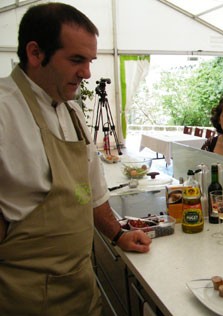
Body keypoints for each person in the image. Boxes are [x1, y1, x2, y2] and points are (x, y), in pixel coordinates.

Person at [0, 4, 151, 315]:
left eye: (90, 61)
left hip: (82, 291)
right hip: (23, 301)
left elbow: (92, 195)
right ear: (35, 53)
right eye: (76, 60)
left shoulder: (73, 111)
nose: (87, 73)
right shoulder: (4, 111)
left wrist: (119, 234)